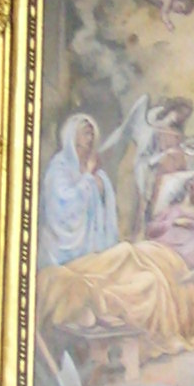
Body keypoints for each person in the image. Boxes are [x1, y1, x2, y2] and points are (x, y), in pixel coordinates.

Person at [38, 113, 119, 269]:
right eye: (85, 134)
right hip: (62, 247)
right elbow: (63, 206)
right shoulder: (59, 166)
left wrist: (101, 187)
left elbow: (104, 204)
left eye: (91, 134)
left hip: (91, 244)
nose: (90, 138)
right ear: (73, 136)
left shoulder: (94, 170)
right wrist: (88, 179)